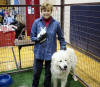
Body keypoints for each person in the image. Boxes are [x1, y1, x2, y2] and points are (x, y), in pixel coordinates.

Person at [30, 1, 66, 87]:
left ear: (51, 11)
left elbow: (61, 38)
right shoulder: (36, 22)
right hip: (39, 52)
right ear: (41, 11)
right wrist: (37, 39)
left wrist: (63, 49)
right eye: (44, 10)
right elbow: (32, 37)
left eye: (48, 10)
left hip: (51, 54)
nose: (46, 12)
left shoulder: (56, 24)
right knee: (36, 73)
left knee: (48, 74)